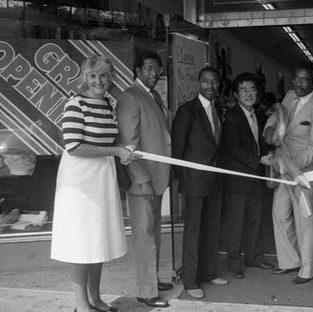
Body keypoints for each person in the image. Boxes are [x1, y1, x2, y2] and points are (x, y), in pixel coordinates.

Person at [51, 56, 139, 312]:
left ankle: (96, 299)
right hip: (78, 184)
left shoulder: (106, 105)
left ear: (110, 78)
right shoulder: (74, 104)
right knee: (80, 242)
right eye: (93, 76)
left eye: (103, 75)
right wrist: (116, 151)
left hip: (101, 179)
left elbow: (107, 143)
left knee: (96, 240)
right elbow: (74, 147)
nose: (98, 81)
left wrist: (122, 150)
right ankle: (82, 304)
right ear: (84, 78)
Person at [263, 61, 313, 284]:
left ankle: (308, 268)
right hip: (282, 169)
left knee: (305, 220)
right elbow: (277, 117)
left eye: (304, 79)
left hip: (304, 174)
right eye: (296, 78)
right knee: (279, 213)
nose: (298, 83)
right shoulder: (289, 95)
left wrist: (291, 165)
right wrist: (269, 129)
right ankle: (289, 261)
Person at [115, 51, 172, 308]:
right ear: (137, 70)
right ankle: (146, 291)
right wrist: (142, 180)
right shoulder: (129, 97)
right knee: (144, 234)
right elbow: (129, 144)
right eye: (148, 68)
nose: (154, 73)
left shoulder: (154, 95)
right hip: (143, 180)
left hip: (157, 176)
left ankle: (153, 279)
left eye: (157, 69)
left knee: (153, 232)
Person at [171, 66, 228, 299]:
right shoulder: (187, 110)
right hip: (194, 180)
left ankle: (209, 272)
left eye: (214, 82)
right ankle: (191, 281)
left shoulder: (219, 110)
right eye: (205, 81)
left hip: (215, 179)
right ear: (198, 83)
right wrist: (181, 177)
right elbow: (177, 147)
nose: (210, 86)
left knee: (212, 228)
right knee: (194, 232)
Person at [222, 72, 275, 279]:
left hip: (256, 177)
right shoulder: (232, 117)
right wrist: (258, 159)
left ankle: (254, 257)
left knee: (255, 218)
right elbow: (232, 148)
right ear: (235, 94)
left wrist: (267, 153)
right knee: (236, 223)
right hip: (238, 178)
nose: (249, 93)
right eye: (243, 90)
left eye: (252, 89)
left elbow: (258, 142)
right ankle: (234, 263)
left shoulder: (257, 115)